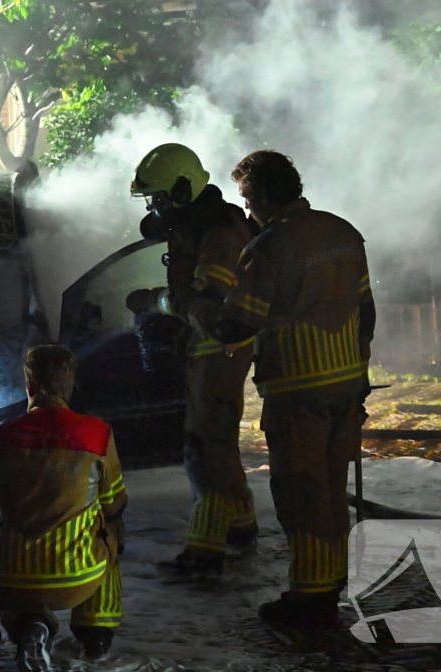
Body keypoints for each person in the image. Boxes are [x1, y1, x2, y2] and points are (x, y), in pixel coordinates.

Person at [173, 150, 375, 631]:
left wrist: (186, 306)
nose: (245, 211)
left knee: (301, 493)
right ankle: (326, 591)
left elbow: (235, 323)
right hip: (345, 387)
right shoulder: (342, 232)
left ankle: (309, 603)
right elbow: (366, 312)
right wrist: (357, 372)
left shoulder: (269, 247)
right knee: (330, 489)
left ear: (263, 195)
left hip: (297, 388)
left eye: (246, 198)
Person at [125, 143, 259, 577]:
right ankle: (240, 525)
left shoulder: (220, 233)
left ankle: (204, 552)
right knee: (218, 440)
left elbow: (205, 302)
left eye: (160, 198)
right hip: (209, 346)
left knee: (204, 447)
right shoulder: (196, 224)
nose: (155, 208)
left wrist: (152, 302)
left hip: (218, 347)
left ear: (184, 189)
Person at [0, 345, 127, 672]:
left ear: (29, 385)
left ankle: (32, 628)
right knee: (110, 532)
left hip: (11, 580)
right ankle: (96, 636)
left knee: (11, 553)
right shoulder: (97, 433)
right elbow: (115, 503)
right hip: (79, 576)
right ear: (71, 382)